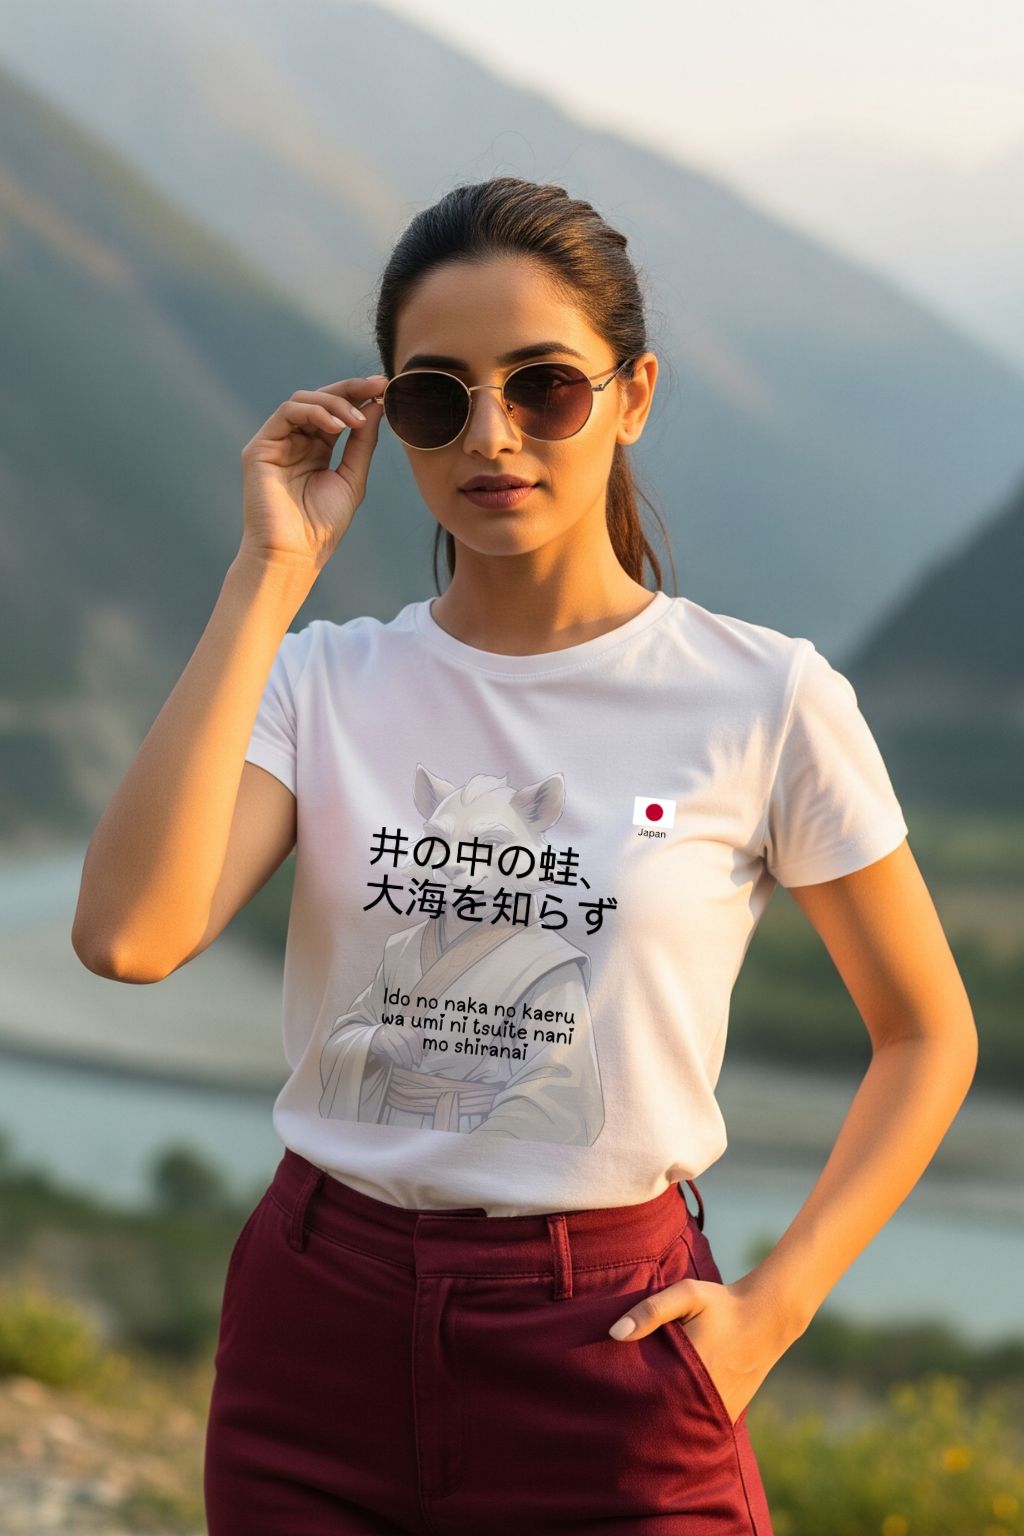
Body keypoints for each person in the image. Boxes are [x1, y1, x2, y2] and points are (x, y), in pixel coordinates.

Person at [72, 176, 978, 1535]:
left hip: (608, 1341)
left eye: (544, 386)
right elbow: (130, 939)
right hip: (318, 1327)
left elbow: (927, 1034)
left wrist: (770, 1315)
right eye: (438, 397)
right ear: (392, 417)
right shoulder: (319, 678)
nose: (490, 435)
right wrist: (267, 576)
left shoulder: (763, 698)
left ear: (635, 393)